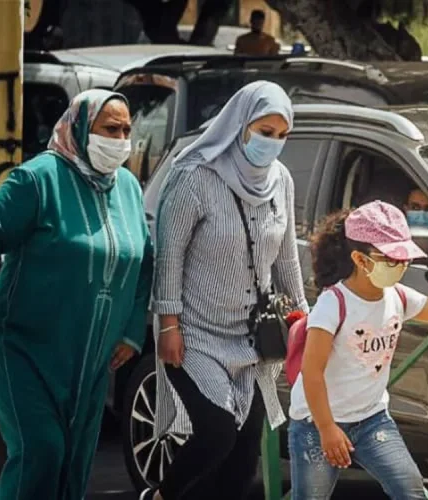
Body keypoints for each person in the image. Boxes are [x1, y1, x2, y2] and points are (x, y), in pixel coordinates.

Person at [0, 89, 152, 499]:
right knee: (40, 452)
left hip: (90, 356)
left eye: (126, 130)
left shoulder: (127, 188)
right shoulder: (37, 179)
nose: (120, 139)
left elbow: (144, 260)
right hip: (25, 347)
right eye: (110, 129)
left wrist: (132, 330)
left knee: (75, 461)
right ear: (82, 128)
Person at [144, 81, 306, 500]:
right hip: (195, 333)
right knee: (215, 433)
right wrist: (168, 325)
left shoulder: (281, 182)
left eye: (281, 135)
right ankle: (161, 496)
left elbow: (286, 259)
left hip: (251, 339)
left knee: (243, 455)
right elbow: (170, 255)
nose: (272, 143)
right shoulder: (194, 175)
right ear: (240, 124)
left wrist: (304, 322)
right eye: (264, 131)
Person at [288, 201, 428, 500]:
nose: (401, 266)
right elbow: (311, 372)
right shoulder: (334, 304)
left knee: (410, 488)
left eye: (404, 258)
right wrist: (327, 428)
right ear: (360, 259)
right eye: (391, 259)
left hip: (372, 419)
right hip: (315, 423)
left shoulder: (397, 297)